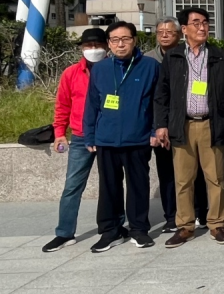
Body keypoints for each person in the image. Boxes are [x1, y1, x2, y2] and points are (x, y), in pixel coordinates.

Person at [155, 6, 224, 248]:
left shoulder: (219, 56)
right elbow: (162, 93)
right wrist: (161, 125)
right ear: (184, 29)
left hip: (211, 124)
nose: (202, 27)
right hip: (183, 125)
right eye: (196, 23)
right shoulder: (173, 57)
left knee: (216, 178)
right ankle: (185, 226)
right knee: (183, 180)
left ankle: (217, 224)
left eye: (205, 23)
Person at [83, 22, 160, 252]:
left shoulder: (150, 66)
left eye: (125, 39)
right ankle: (111, 231)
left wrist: (155, 130)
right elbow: (92, 104)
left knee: (138, 186)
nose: (120, 44)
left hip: (138, 138)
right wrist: (90, 135)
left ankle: (139, 229)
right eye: (115, 40)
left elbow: (158, 102)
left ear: (134, 40)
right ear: (108, 43)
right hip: (106, 138)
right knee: (108, 187)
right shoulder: (100, 69)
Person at [42, 28, 109, 253]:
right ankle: (64, 233)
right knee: (72, 186)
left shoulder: (114, 70)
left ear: (106, 46)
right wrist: (59, 132)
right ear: (81, 48)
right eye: (88, 46)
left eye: (97, 45)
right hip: (80, 136)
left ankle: (112, 227)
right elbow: (62, 105)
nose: (93, 49)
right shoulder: (71, 73)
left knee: (111, 185)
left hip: (108, 136)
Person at [145, 18, 186, 233]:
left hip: (185, 124)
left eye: (169, 32)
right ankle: (171, 215)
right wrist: (156, 127)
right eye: (160, 31)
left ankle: (194, 211)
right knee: (167, 173)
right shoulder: (147, 60)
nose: (164, 35)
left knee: (190, 173)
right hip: (159, 126)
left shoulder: (188, 55)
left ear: (179, 35)